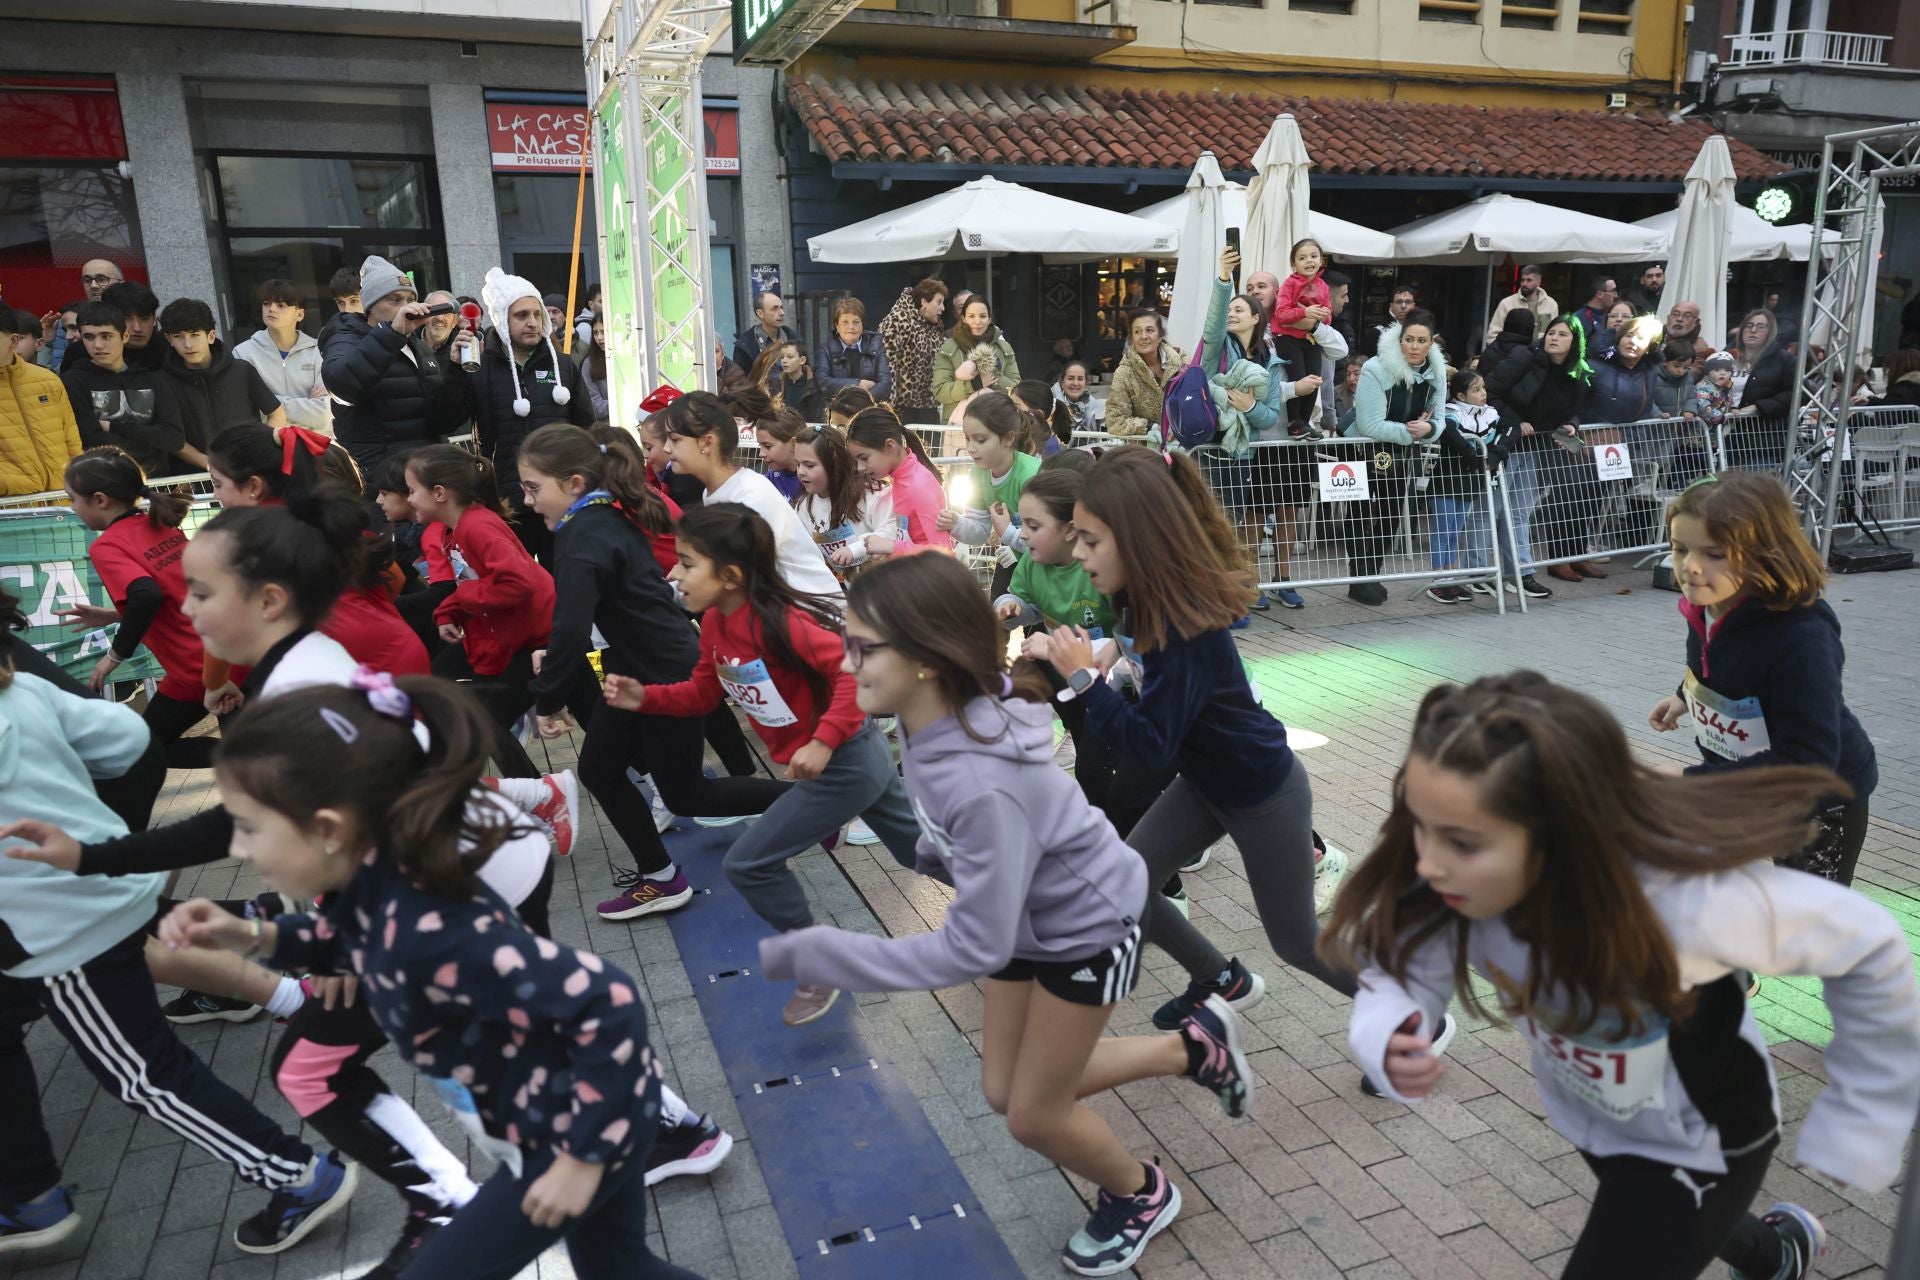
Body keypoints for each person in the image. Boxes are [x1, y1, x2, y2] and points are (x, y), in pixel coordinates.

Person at [1325, 671, 1920, 1280]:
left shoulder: (1682, 900)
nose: (1426, 862)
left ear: (1562, 837)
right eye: (1420, 827)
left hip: (1707, 1138)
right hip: (1598, 1117)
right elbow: (1396, 968)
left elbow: (1869, 943)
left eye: (1463, 842)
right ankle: (1775, 1252)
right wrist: (1389, 1029)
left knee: (1647, 1228)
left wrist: (1865, 1113)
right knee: (1666, 1223)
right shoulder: (1452, 887)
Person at [761, 553, 1259, 1277]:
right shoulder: (934, 718)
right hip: (1028, 918)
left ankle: (1142, 1194)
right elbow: (970, 840)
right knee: (1005, 1089)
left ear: (929, 658)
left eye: (866, 647)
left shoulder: (977, 776)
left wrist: (823, 952)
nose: (848, 662)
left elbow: (967, 946)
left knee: (1033, 1114)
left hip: (1089, 926)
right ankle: (1193, 1048)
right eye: (850, 642)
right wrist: (944, 856)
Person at [157, 680, 701, 1280]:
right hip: (553, 1132)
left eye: (252, 827)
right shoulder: (375, 888)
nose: (237, 846)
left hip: (566, 1140)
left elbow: (610, 1002)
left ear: (331, 829)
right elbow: (351, 944)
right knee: (620, 1267)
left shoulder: (434, 929)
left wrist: (579, 1157)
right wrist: (253, 939)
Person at [0, 650, 358, 1259]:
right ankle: (29, 1194)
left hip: (55, 926)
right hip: (99, 875)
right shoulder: (23, 685)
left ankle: (293, 1176)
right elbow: (122, 735)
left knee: (144, 1073)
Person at [1039, 450, 1389, 1057]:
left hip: (1260, 791)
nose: (1078, 555)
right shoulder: (1146, 600)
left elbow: (1151, 741)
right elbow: (1151, 675)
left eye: (1091, 541)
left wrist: (1085, 684)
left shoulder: (1181, 625)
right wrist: (1112, 660)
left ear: (1138, 539)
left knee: (1296, 940)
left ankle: (1409, 1014)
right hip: (1207, 781)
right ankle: (1218, 979)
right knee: (1123, 879)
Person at [604, 504, 922, 1025]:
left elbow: (850, 675)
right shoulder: (714, 623)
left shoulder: (782, 623)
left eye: (686, 564)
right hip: (853, 755)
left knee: (748, 862)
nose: (674, 574)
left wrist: (821, 742)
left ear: (730, 575)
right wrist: (647, 698)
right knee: (920, 853)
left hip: (846, 760)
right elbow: (702, 695)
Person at [1649, 471, 1876, 888]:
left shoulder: (1801, 637)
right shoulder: (1707, 603)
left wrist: (1688, 781)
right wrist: (1686, 694)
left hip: (1818, 803)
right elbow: (1713, 663)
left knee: (1806, 925)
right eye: (1680, 549)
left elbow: (1808, 761)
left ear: (1762, 553)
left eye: (1714, 553)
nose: (1691, 568)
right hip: (1747, 783)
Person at [205, 424, 430, 678]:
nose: (215, 495)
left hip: (351, 671)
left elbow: (221, 624)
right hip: (397, 651)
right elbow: (395, 578)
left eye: (217, 483)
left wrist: (214, 684)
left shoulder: (250, 541)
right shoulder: (323, 517)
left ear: (254, 486)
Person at [60, 447, 235, 765]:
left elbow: (147, 594)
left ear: (100, 500)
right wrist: (115, 615)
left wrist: (113, 657)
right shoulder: (158, 522)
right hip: (229, 651)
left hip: (196, 668)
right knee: (251, 759)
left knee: (144, 749)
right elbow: (174, 593)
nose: (72, 508)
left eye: (73, 499)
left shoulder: (108, 545)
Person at [405, 445, 554, 778]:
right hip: (524, 635)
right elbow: (484, 586)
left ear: (440, 493)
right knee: (476, 712)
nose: (409, 499)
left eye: (413, 491)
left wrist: (463, 599)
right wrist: (451, 611)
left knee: (485, 718)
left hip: (539, 638)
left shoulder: (476, 526)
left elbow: (518, 582)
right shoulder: (461, 528)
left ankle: (541, 798)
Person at [1206, 247, 1325, 609]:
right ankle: (1246, 585)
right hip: (1243, 447)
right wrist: (1224, 279)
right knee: (1249, 515)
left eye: (1262, 286)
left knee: (1289, 509)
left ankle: (1282, 579)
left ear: (1274, 295)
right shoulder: (1223, 343)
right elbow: (1213, 327)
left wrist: (1254, 404)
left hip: (1288, 439)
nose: (1255, 290)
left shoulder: (1281, 344)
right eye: (1251, 286)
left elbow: (1271, 409)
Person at [658, 392, 844, 601]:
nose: (666, 448)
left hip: (815, 616)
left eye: (675, 439)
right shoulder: (717, 492)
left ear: (707, 443)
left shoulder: (748, 497)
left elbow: (739, 580)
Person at [471, 269, 595, 563]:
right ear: (502, 319)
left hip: (562, 498)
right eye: (521, 315)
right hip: (510, 501)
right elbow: (451, 419)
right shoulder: (482, 370)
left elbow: (586, 428)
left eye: (537, 314)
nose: (532, 322)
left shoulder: (564, 366)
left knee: (565, 582)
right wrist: (454, 370)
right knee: (522, 586)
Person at [321, 255, 474, 486]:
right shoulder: (345, 337)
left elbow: (441, 422)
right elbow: (342, 385)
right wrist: (391, 335)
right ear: (371, 305)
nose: (406, 307)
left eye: (411, 299)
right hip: (380, 484)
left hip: (424, 478)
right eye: (395, 300)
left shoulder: (417, 346)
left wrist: (455, 371)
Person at [1342, 310, 1447, 605]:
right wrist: (1413, 431)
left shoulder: (1437, 372)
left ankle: (1371, 574)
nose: (1414, 346)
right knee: (1359, 512)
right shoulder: (1377, 368)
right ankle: (1358, 575)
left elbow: (1439, 422)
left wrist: (1429, 428)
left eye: (1421, 341)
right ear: (1400, 340)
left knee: (1389, 513)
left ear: (1431, 344)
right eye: (1409, 339)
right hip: (1359, 447)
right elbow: (1369, 425)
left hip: (1398, 451)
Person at [1486, 317, 1590, 597]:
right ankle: (1480, 573)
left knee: (1520, 513)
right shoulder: (1524, 357)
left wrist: (1572, 424)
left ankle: (1521, 573)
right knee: (1491, 510)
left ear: (1575, 342)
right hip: (1506, 444)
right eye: (1551, 332)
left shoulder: (1576, 373)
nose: (1553, 337)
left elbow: (1575, 409)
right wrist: (1513, 423)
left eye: (1562, 334)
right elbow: (1489, 391)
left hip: (1535, 448)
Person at [62, 300, 188, 478]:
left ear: (125, 336)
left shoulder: (152, 379)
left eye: (106, 336)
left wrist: (114, 427)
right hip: (107, 484)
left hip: (158, 484)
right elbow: (91, 441)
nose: (97, 345)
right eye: (89, 337)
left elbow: (173, 438)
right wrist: (150, 438)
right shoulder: (73, 382)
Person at [158, 298, 287, 469]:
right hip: (196, 478)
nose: (187, 344)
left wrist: (257, 448)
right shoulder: (164, 381)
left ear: (211, 336)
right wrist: (208, 463)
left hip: (248, 468)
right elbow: (170, 436)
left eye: (195, 335)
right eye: (178, 337)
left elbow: (277, 414)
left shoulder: (241, 370)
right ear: (169, 340)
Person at [937, 390, 1042, 593]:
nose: (971, 448)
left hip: (1044, 565)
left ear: (1008, 438)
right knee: (999, 618)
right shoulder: (977, 472)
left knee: (1037, 623)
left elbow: (1046, 541)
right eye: (967, 438)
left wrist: (1008, 533)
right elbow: (979, 532)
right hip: (1012, 555)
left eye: (981, 439)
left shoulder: (1030, 475)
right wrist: (956, 523)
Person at [1423, 369, 1493, 603]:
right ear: (1461, 396)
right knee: (1443, 531)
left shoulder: (1489, 415)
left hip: (1469, 482)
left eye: (1483, 388)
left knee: (1455, 533)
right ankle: (1437, 580)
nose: (1483, 393)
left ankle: (1450, 578)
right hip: (1447, 480)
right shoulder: (1450, 412)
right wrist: (1471, 454)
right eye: (1476, 390)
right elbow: (1450, 433)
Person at [844, 407, 952, 553]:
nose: (859, 468)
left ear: (890, 446)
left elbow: (944, 552)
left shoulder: (917, 485)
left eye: (864, 458)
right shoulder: (900, 477)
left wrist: (890, 546)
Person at [792, 424, 894, 577]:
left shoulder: (869, 493)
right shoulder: (804, 507)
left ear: (834, 464)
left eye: (809, 465)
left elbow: (892, 530)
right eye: (798, 464)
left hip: (885, 587)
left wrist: (855, 550)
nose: (800, 472)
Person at [0, 308, 81, 496]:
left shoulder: (47, 380)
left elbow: (72, 441)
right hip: (11, 507)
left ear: (13, 341)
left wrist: (79, 484)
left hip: (64, 501)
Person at [235, 279, 333, 433]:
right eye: (266, 303)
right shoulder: (243, 354)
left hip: (315, 444)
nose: (271, 309)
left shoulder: (318, 352)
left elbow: (324, 413)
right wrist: (306, 404)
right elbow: (244, 410)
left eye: (281, 305)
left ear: (299, 314)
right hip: (268, 445)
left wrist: (268, 403)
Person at [1267, 238, 1333, 436]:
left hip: (1312, 339)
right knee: (1299, 380)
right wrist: (1305, 313)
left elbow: (1328, 316)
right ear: (1294, 264)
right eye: (1302, 258)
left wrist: (1323, 316)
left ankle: (1305, 423)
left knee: (1315, 380)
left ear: (1321, 260)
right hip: (1288, 339)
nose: (1309, 261)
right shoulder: (1289, 284)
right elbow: (1281, 314)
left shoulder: (1323, 286)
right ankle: (1294, 423)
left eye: (1314, 256)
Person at [1724, 309, 1796, 472]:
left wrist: (1758, 407)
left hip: (1761, 438)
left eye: (1760, 326)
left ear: (1770, 332)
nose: (1753, 330)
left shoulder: (1783, 359)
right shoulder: (1727, 355)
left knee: (1754, 490)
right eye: (1749, 325)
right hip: (1724, 434)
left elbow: (1795, 395)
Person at [932, 295, 1020, 422]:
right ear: (963, 318)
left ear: (989, 319)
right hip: (958, 424)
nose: (977, 321)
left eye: (983, 316)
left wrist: (994, 376)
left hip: (997, 422)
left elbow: (1016, 390)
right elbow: (940, 392)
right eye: (971, 316)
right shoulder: (949, 347)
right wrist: (975, 384)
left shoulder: (1003, 347)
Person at [879, 278, 949, 426]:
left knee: (932, 447)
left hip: (929, 406)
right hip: (902, 407)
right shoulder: (897, 320)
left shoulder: (935, 325)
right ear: (924, 301)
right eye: (939, 302)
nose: (943, 308)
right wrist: (888, 409)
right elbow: (887, 364)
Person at [1102, 310, 1182, 438]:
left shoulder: (1181, 362)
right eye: (1137, 331)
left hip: (1184, 447)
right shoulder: (1124, 373)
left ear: (1160, 335)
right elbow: (1115, 421)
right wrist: (1152, 427)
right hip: (1145, 451)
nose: (1143, 336)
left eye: (1149, 330)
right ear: (1132, 338)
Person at [815, 297, 892, 404]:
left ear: (862, 325)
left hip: (868, 407)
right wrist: (858, 384)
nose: (851, 327)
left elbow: (886, 383)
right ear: (837, 326)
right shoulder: (825, 349)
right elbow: (823, 382)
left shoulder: (877, 345)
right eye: (845, 322)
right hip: (837, 409)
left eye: (856, 322)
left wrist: (864, 401)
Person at [1484, 265, 1558, 346]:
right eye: (1522, 280)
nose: (1524, 284)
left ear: (1539, 282)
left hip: (1541, 354)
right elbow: (1492, 335)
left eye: (1529, 280)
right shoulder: (1506, 303)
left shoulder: (1551, 304)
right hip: (1512, 354)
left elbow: (1554, 332)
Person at [732, 291, 799, 376]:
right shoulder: (745, 346)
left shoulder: (793, 338)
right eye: (775, 308)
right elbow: (740, 383)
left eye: (781, 307)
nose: (782, 313)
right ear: (760, 313)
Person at [753, 406, 806, 501]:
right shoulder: (772, 477)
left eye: (768, 446)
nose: (761, 454)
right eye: (760, 445)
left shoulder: (812, 480)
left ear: (794, 443)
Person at [768, 340, 823, 423]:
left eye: (790, 357)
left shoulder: (814, 385)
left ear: (802, 360)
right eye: (782, 357)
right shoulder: (776, 384)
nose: (784, 361)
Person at [1358, 285, 1418, 360]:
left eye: (1408, 302)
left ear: (1414, 306)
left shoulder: (1422, 332)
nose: (1403, 306)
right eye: (1399, 302)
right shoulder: (1377, 333)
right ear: (1391, 306)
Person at [1049, 361, 1099, 439]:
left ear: (1086, 383)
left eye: (1080, 379)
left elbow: (1094, 439)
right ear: (1061, 381)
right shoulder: (1049, 404)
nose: (1075, 383)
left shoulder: (1092, 404)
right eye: (1070, 378)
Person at [1665, 300, 1712, 379]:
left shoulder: (1699, 347)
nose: (1679, 319)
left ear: (1696, 322)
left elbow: (1691, 375)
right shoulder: (1655, 336)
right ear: (1668, 318)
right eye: (1675, 314)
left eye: (1687, 316)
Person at [580, 314, 609, 420]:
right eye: (595, 333)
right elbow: (595, 406)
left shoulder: (631, 356)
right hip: (608, 428)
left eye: (604, 332)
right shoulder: (589, 364)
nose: (599, 338)